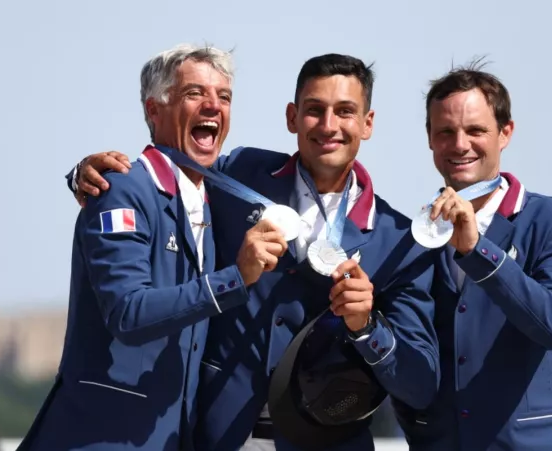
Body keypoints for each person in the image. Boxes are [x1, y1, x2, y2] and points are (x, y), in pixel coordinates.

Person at [67, 53, 440, 451]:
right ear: (292, 117)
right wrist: (86, 175)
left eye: (345, 111)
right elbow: (172, 166)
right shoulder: (238, 174)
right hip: (219, 433)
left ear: (367, 124)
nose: (329, 126)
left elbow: (419, 385)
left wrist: (367, 326)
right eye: (315, 110)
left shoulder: (400, 240)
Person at [18, 44, 286, 451]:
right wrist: (234, 279)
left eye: (224, 96)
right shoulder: (120, 189)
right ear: (154, 110)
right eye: (195, 93)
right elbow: (128, 312)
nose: (213, 105)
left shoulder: (216, 192)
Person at [391, 60, 552, 450]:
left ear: (506, 133)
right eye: (446, 132)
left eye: (476, 130)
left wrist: (477, 251)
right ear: (430, 138)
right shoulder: (411, 238)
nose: (460, 144)